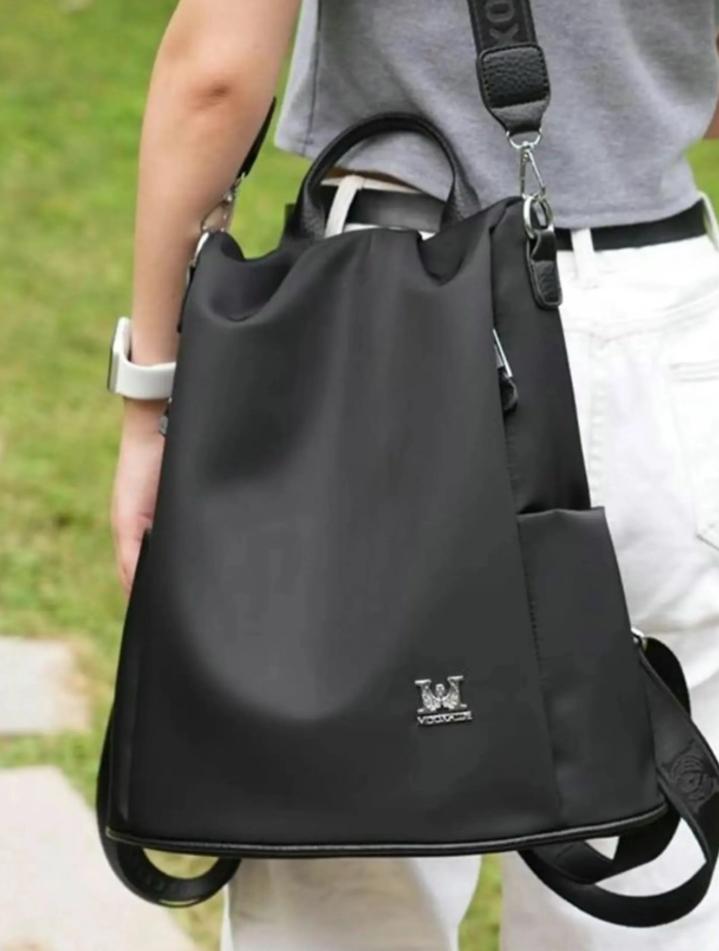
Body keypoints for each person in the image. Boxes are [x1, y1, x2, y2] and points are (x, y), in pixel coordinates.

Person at [108, 1, 719, 948]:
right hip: (664, 316)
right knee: (647, 837)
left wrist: (152, 397)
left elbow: (216, 77)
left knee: (346, 879)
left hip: (391, 314)